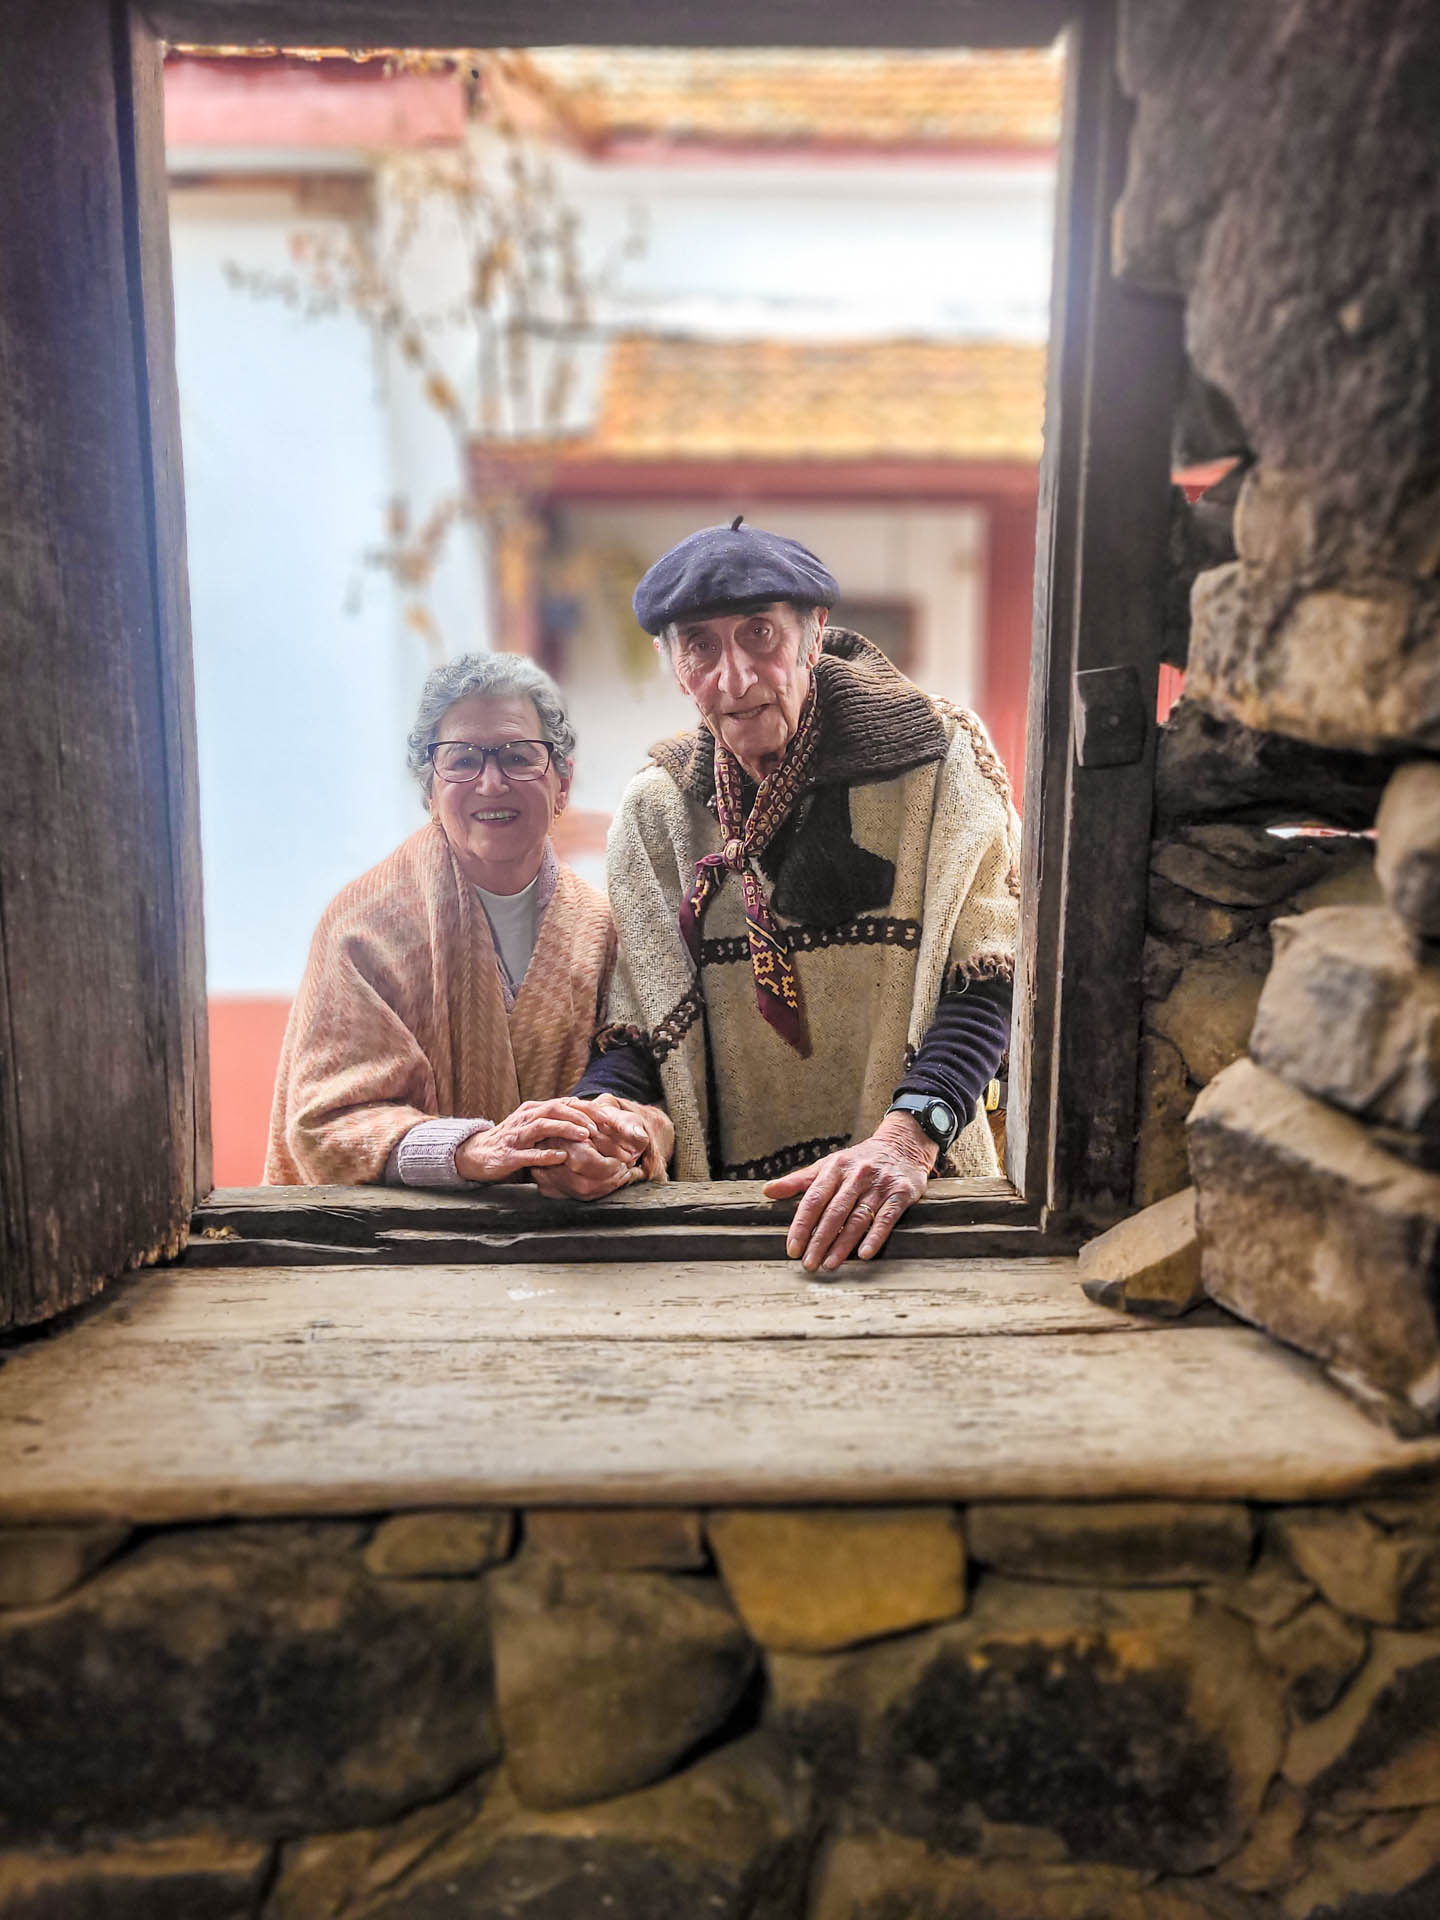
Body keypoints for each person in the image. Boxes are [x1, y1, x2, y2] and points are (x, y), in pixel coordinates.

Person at [546, 518, 1020, 1273]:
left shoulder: (942, 759)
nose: (733, 679)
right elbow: (641, 1027)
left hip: (918, 1204)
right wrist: (605, 1118)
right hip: (733, 1222)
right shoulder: (658, 810)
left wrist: (909, 1137)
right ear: (674, 666)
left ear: (813, 633)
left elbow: (990, 976)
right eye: (700, 646)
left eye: (759, 635)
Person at [266, 653, 660, 1189]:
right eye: (462, 760)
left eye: (518, 757)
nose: (492, 783)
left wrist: (613, 1141)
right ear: (429, 790)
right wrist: (466, 1151)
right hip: (391, 1238)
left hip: (570, 1235)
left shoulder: (607, 930)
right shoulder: (362, 928)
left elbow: (653, 1090)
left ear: (563, 783)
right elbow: (323, 1124)